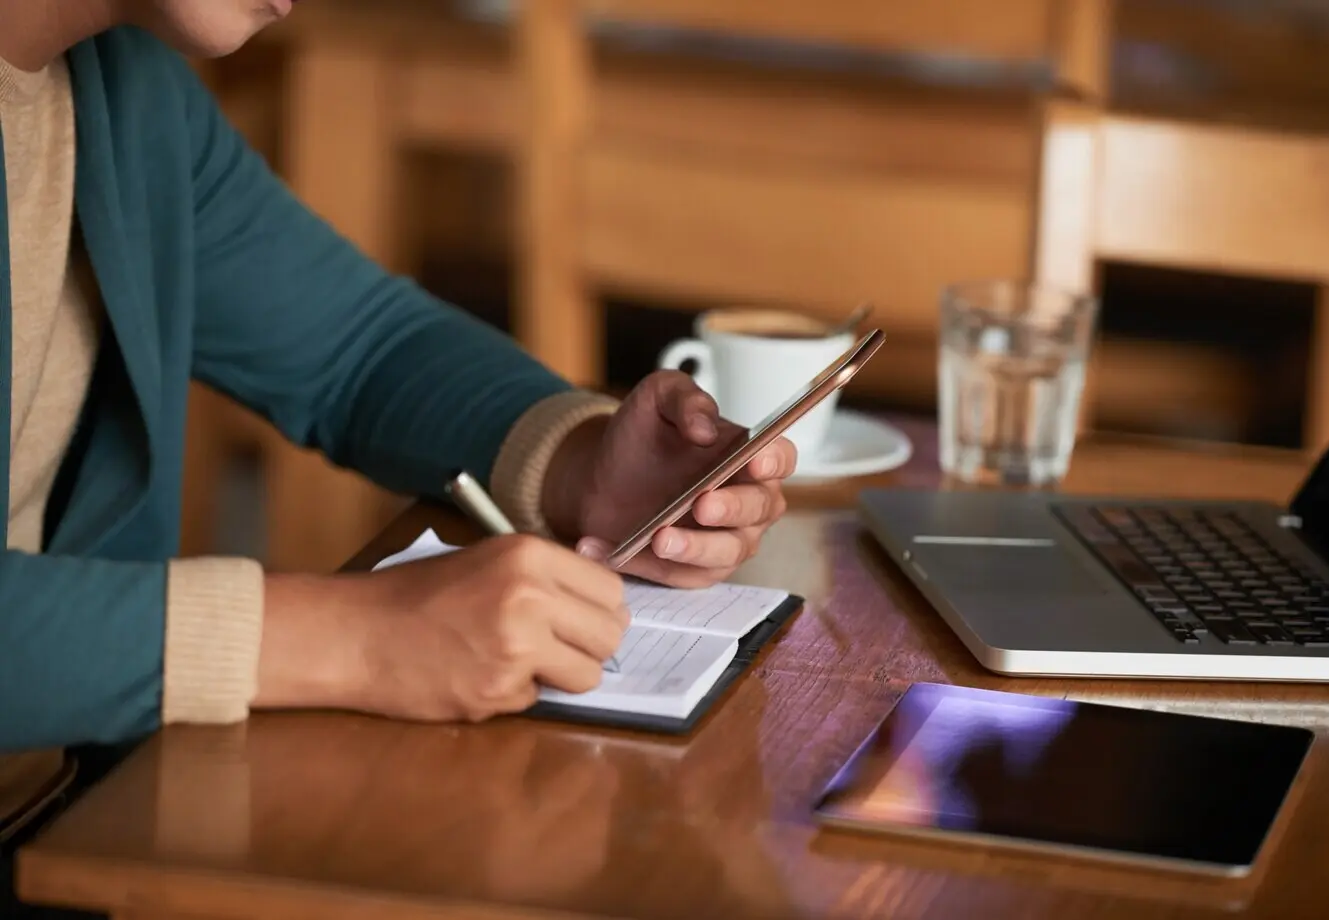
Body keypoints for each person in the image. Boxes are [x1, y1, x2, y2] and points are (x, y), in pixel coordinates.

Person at [0, 1, 795, 910]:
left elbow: (359, 349)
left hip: (67, 823)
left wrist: (579, 462)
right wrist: (355, 639)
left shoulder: (123, 94)